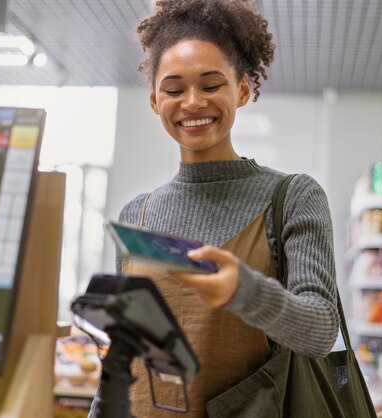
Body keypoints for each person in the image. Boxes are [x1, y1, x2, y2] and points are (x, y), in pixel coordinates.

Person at [108, 0, 339, 416]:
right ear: (154, 101)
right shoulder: (136, 215)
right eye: (174, 90)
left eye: (211, 85)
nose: (193, 103)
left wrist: (244, 291)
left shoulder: (293, 197)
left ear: (244, 89)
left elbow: (320, 330)